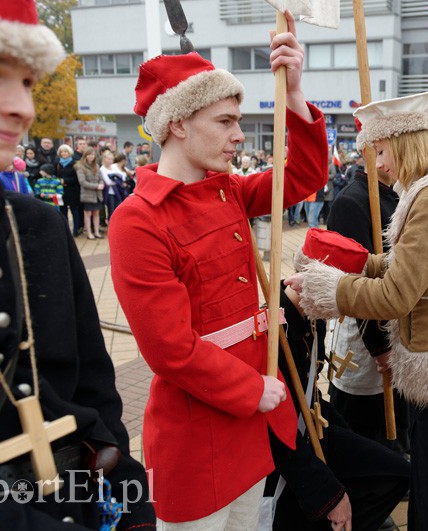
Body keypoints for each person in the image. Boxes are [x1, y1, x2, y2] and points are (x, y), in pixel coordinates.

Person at [107, 15, 329, 527]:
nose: (238, 134)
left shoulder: (226, 188)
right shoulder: (137, 219)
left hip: (253, 427)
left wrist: (294, 95)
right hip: (199, 433)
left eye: (238, 120)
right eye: (224, 121)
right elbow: (170, 349)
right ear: (178, 124)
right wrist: (253, 390)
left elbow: (303, 175)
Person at [0, 0, 155, 527]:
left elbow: (91, 379)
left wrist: (129, 489)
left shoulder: (39, 226)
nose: (23, 108)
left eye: (26, 82)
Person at [287, 90, 428, 530]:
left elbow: (396, 295)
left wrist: (329, 286)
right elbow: (405, 266)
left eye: (381, 149)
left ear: (406, 142)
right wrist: (347, 263)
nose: (377, 162)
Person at [263, 282, 410, 531]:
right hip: (285, 459)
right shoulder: (274, 337)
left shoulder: (312, 317)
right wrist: (329, 494)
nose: (341, 314)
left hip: (317, 430)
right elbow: (279, 437)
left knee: (396, 474)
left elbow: (312, 397)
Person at [325, 139, 410, 457]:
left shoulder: (398, 196)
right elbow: (355, 281)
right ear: (370, 154)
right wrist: (379, 345)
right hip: (366, 333)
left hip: (397, 321)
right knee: (361, 424)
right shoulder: (352, 202)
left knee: (391, 422)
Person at [75, 147, 104, 240]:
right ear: (85, 156)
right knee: (87, 214)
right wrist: (96, 186)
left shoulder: (97, 166)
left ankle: (96, 232)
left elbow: (101, 178)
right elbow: (82, 182)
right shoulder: (80, 166)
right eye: (89, 154)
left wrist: (101, 184)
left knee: (96, 213)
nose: (91, 156)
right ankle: (89, 233)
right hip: (87, 194)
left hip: (97, 195)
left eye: (93, 154)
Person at [55, 144, 81, 235]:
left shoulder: (74, 164)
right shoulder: (58, 163)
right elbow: (55, 175)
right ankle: (65, 230)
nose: (64, 153)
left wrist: (65, 180)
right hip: (61, 191)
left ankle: (76, 229)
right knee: (63, 211)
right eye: (62, 152)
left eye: (65, 151)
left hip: (73, 190)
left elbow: (77, 178)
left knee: (74, 210)